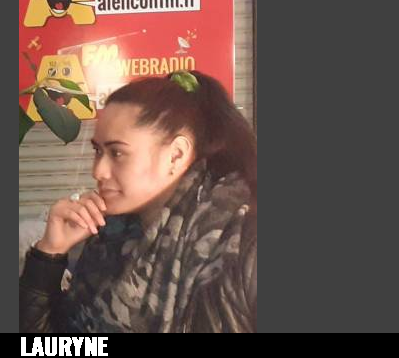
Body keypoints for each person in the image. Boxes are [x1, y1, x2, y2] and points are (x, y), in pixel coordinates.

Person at [19, 70, 257, 333]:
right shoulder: (110, 238)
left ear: (176, 155)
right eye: (98, 151)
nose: (98, 171)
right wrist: (50, 253)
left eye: (117, 153)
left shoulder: (244, 243)